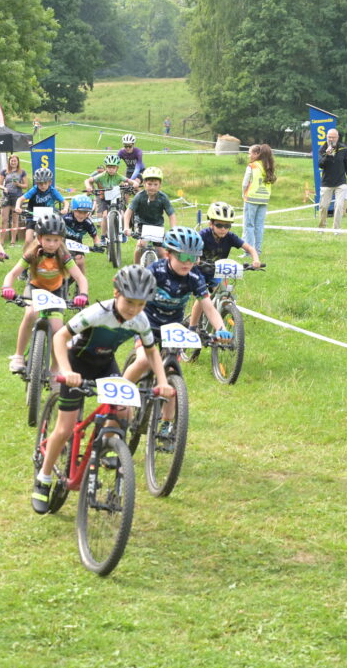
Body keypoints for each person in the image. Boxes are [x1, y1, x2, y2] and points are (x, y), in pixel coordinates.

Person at [31, 266, 173, 513]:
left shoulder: (140, 319)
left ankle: (108, 446)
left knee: (123, 413)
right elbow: (59, 338)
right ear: (116, 293)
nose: (134, 310)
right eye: (129, 302)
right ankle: (44, 478)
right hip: (78, 363)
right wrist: (65, 370)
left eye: (141, 304)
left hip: (106, 364)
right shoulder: (97, 313)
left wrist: (162, 381)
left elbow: (151, 351)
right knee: (65, 429)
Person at [123, 228, 231, 439]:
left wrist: (221, 329)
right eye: (182, 256)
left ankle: (166, 424)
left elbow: (208, 306)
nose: (187, 262)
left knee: (171, 370)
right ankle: (119, 396)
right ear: (169, 253)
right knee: (145, 360)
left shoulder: (195, 276)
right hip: (147, 322)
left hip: (172, 327)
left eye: (193, 258)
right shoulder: (155, 270)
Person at [1, 214, 88, 373]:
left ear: (61, 240)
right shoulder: (32, 253)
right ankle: (18, 356)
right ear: (39, 238)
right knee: (30, 315)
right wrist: (7, 287)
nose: (52, 244)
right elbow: (12, 274)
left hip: (56, 292)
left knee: (57, 330)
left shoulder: (64, 255)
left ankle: (55, 369)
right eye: (48, 239)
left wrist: (83, 295)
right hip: (35, 289)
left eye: (56, 240)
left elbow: (80, 278)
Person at [187, 202, 261, 330]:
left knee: (224, 294)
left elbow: (249, 248)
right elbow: (190, 247)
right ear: (211, 224)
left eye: (227, 226)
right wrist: (195, 258)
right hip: (199, 271)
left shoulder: (230, 237)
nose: (223, 229)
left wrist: (255, 259)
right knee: (202, 297)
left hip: (216, 272)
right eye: (219, 225)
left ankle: (220, 320)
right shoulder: (203, 235)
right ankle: (192, 327)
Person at [123, 166, 175, 264]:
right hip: (141, 225)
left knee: (162, 253)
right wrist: (126, 227)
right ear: (144, 184)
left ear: (160, 185)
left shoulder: (163, 198)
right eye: (149, 184)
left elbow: (171, 215)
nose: (152, 187)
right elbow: (128, 212)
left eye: (155, 184)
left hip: (157, 226)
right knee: (140, 245)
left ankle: (164, 272)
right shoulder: (139, 196)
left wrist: (173, 231)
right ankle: (136, 268)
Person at [241, 144, 276, 255]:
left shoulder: (252, 166)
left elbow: (245, 183)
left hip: (252, 198)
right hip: (264, 199)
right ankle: (258, 251)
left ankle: (249, 252)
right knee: (259, 226)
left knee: (249, 225)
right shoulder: (268, 166)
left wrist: (243, 193)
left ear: (257, 154)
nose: (249, 155)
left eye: (250, 153)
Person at [317, 128, 347, 229]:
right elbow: (320, 165)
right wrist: (327, 155)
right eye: (329, 137)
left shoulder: (343, 148)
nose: (331, 139)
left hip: (340, 182)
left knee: (339, 207)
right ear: (326, 137)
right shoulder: (322, 149)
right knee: (323, 207)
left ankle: (336, 229)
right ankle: (322, 227)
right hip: (327, 183)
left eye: (333, 137)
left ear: (337, 138)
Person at [15, 167, 66, 245]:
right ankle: (26, 256)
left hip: (48, 217)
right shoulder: (34, 190)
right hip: (32, 216)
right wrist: (17, 207)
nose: (42, 186)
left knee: (54, 240)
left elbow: (65, 202)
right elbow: (20, 199)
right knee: (28, 240)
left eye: (45, 183)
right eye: (39, 183)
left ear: (50, 182)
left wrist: (65, 209)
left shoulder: (52, 191)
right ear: (36, 183)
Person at [62, 195, 99, 274]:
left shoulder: (88, 223)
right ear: (73, 210)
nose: (82, 215)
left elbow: (95, 236)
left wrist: (97, 246)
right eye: (79, 212)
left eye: (85, 212)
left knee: (80, 261)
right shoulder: (65, 219)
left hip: (77, 244)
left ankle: (80, 282)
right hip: (62, 243)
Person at [0, 155, 28, 246]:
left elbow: (26, 185)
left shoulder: (22, 172)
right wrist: (4, 188)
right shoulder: (4, 171)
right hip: (6, 196)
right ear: (9, 162)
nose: (13, 162)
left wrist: (18, 184)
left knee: (15, 219)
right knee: (4, 219)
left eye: (15, 161)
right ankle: (1, 241)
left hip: (17, 197)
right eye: (12, 161)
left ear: (18, 162)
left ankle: (13, 241)